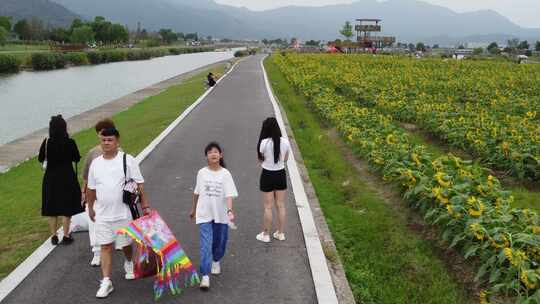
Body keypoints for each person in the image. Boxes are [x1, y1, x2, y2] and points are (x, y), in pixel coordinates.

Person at [87, 128, 151, 298]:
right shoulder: (95, 163)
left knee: (125, 245)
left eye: (110, 140)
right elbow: (91, 188)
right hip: (102, 214)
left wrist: (145, 206)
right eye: (103, 140)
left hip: (124, 213)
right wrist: (90, 207)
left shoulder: (127, 160)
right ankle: (106, 281)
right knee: (105, 246)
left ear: (117, 142)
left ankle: (129, 261)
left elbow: (140, 184)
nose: (106, 143)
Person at [190, 142, 238, 290]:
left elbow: (230, 194)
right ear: (206, 156)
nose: (213, 154)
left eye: (216, 151)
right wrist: (193, 209)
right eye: (210, 152)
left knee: (220, 242)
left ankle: (216, 260)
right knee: (206, 244)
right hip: (204, 214)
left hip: (222, 215)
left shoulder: (226, 174)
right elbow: (197, 192)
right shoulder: (201, 173)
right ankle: (205, 275)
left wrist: (229, 211)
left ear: (220, 155)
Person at [38, 115, 83, 245]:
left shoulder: (46, 142)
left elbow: (41, 158)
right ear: (64, 127)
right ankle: (66, 235)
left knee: (52, 208)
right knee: (66, 208)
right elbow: (76, 157)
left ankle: (53, 236)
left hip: (50, 178)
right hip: (67, 177)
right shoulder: (70, 142)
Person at [81, 118, 117, 267]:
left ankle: (118, 243)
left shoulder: (120, 154)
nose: (101, 138)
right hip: (95, 196)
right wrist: (84, 193)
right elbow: (86, 177)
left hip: (113, 195)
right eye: (100, 135)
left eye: (102, 133)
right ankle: (96, 251)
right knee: (94, 222)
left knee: (115, 220)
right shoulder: (93, 153)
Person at [255, 117, 290, 243]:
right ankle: (280, 233)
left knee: (268, 207)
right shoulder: (285, 142)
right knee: (280, 205)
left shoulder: (264, 143)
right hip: (280, 174)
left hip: (267, 175)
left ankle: (266, 235)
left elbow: (260, 159)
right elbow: (285, 159)